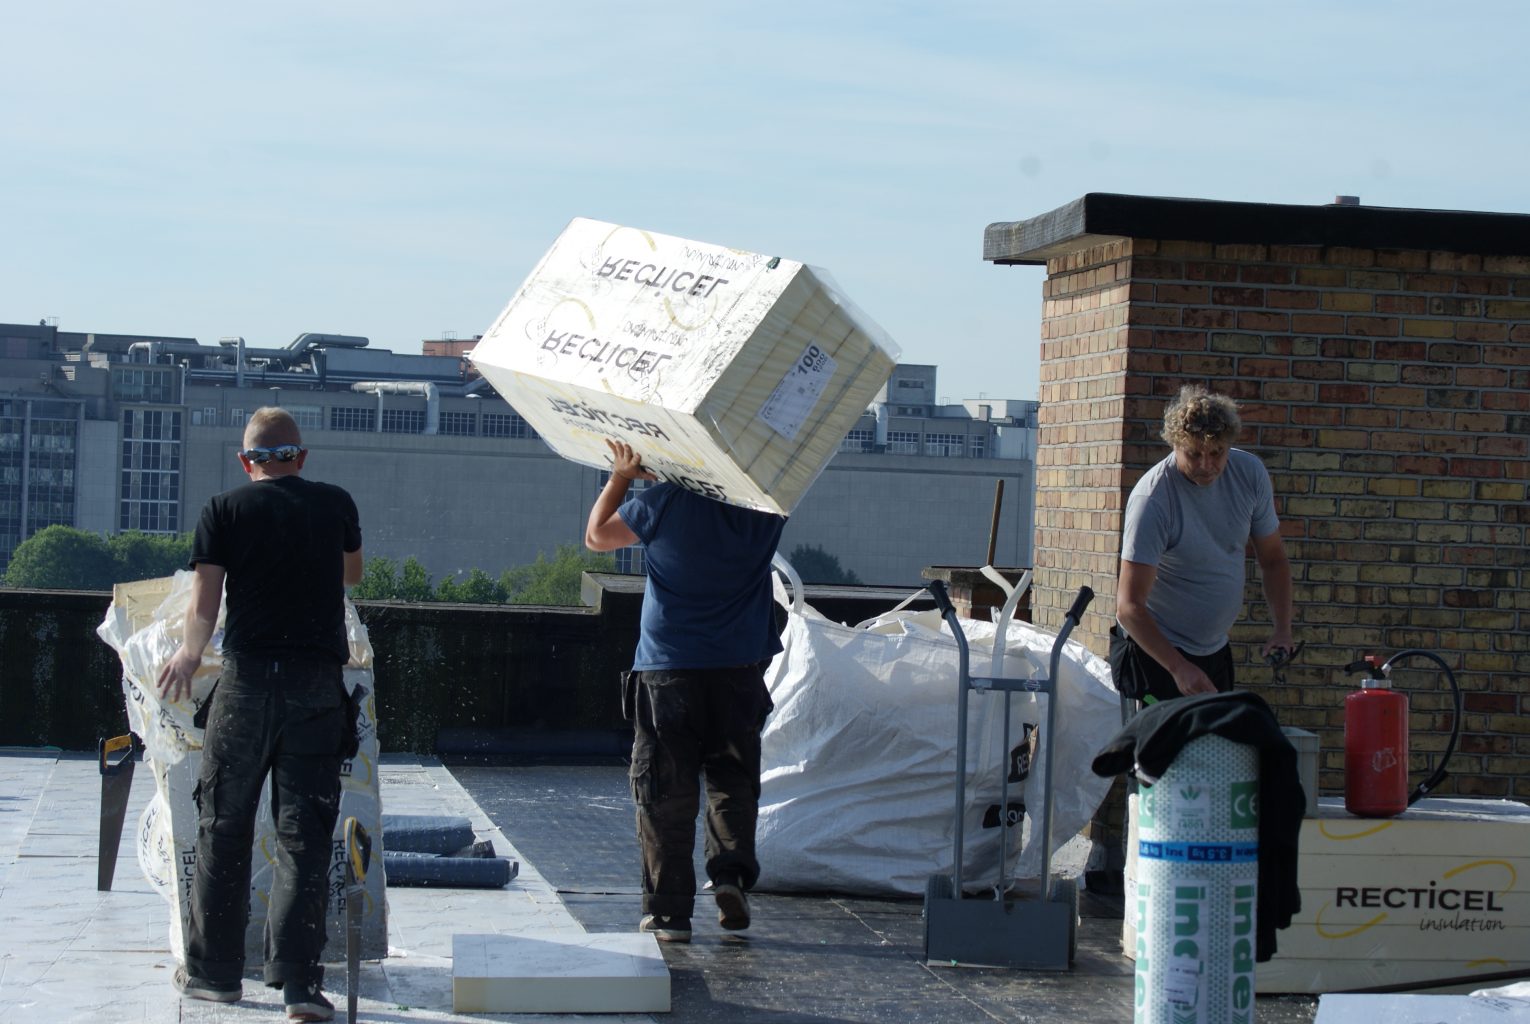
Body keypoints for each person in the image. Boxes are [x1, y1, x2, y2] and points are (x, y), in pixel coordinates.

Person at [157, 407, 363, 1022]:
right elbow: (351, 575)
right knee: (304, 838)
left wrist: (188, 658)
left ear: (246, 463)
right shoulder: (335, 504)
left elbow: (204, 602)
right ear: (301, 458)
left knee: (224, 827)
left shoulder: (224, 509)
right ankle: (300, 987)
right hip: (315, 688)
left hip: (245, 685)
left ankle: (216, 978)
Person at [585, 438, 786, 944]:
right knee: (732, 783)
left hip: (668, 670)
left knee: (664, 794)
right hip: (739, 671)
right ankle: (731, 877)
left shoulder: (662, 502)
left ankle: (670, 912)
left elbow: (597, 536)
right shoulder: (762, 510)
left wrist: (623, 475)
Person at [1111, 385, 1294, 703]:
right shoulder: (1152, 499)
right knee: (1162, 753)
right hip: (1155, 655)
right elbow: (1129, 607)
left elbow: (1274, 560)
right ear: (1175, 445)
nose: (1207, 464)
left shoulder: (1249, 475)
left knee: (1216, 749)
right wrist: (1178, 667)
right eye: (1194, 454)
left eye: (1216, 453)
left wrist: (1282, 629)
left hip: (1214, 650)